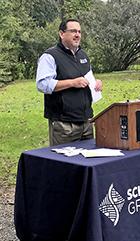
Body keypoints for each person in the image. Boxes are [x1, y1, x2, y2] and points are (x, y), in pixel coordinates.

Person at [36, 18, 103, 146]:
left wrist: (97, 83)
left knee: (86, 163)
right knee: (64, 164)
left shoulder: (83, 55)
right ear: (61, 34)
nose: (77, 35)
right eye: (73, 31)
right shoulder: (50, 56)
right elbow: (43, 84)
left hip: (87, 122)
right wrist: (72, 83)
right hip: (64, 125)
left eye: (79, 31)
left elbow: (89, 78)